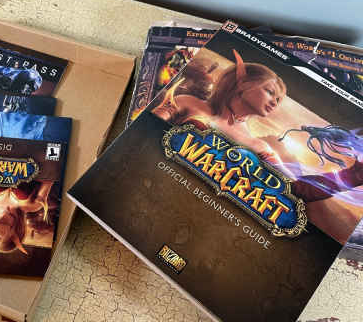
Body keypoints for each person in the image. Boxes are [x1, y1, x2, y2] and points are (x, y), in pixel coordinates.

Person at [151, 49, 363, 242]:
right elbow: (149, 126)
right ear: (242, 83)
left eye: (278, 99)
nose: (275, 102)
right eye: (270, 91)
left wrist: (352, 176)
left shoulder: (259, 147)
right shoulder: (187, 102)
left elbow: (294, 189)